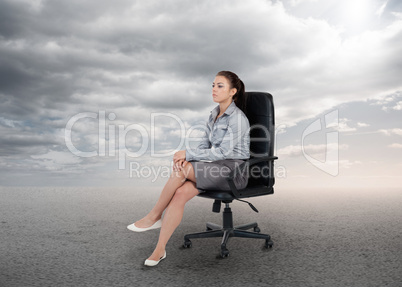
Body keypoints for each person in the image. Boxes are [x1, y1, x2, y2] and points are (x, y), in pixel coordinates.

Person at [127, 71, 250, 266]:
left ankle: (154, 216)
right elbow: (204, 145)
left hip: (234, 172)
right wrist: (189, 156)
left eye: (220, 86)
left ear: (233, 91)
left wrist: (189, 155)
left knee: (183, 169)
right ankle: (159, 250)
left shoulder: (237, 118)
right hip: (214, 168)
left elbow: (222, 152)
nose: (214, 89)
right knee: (180, 193)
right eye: (213, 85)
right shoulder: (214, 114)